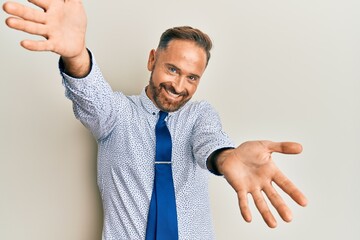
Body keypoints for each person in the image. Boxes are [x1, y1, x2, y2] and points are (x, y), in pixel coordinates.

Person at [3, 0, 308, 239]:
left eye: (192, 77)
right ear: (152, 60)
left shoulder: (200, 115)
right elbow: (91, 94)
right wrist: (77, 55)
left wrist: (225, 158)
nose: (179, 85)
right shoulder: (116, 116)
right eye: (172, 69)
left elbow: (210, 142)